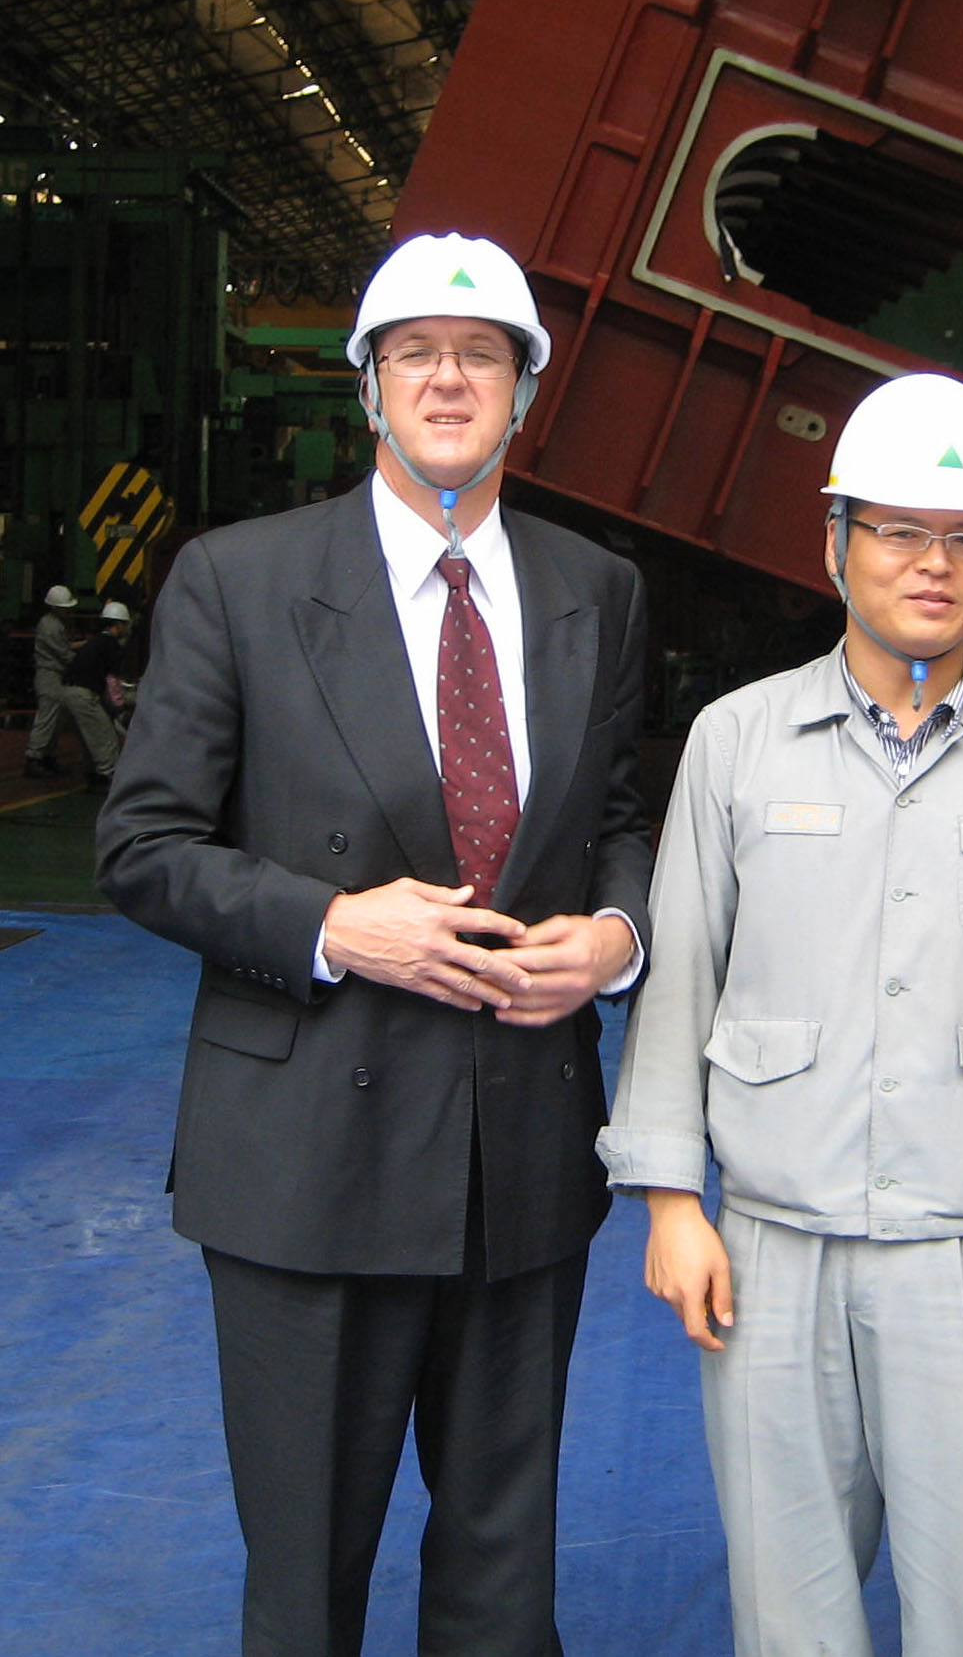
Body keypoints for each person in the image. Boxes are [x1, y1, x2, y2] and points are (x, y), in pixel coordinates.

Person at [96, 231, 654, 1657]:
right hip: (307, 1164)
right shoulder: (240, 581)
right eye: (415, 354)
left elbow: (623, 819)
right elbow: (144, 845)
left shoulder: (596, 590)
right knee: (306, 1586)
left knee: (502, 1588)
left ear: (526, 391)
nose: (448, 380)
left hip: (519, 1156)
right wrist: (334, 925)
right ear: (368, 387)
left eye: (481, 356)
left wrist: (614, 936)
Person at [600, 372, 963, 1657]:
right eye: (900, 530)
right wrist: (672, 1201)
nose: (935, 563)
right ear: (834, 543)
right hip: (769, 1250)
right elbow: (681, 976)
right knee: (787, 1610)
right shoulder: (738, 743)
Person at [57, 599, 131, 789]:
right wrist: (120, 709)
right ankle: (108, 777)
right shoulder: (111, 645)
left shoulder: (95, 642)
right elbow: (112, 681)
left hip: (66, 693)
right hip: (83, 695)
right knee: (106, 738)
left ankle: (92, 775)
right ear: (119, 625)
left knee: (89, 738)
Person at [23, 582, 78, 776]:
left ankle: (47, 755)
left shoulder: (54, 623)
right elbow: (64, 654)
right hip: (50, 675)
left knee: (55, 719)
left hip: (54, 675)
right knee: (47, 718)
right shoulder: (51, 626)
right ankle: (34, 757)